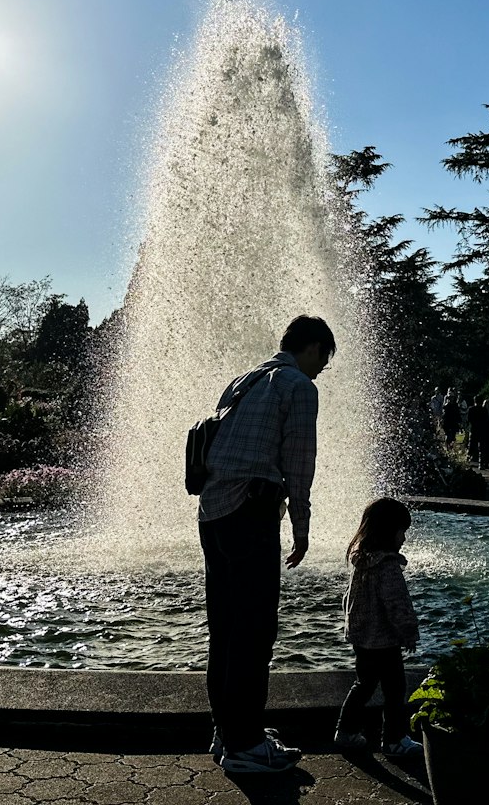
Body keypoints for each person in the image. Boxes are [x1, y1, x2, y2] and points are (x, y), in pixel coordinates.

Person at [198, 315, 335, 774]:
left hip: (212, 514)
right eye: (323, 359)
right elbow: (299, 462)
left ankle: (229, 732)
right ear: (312, 347)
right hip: (251, 513)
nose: (321, 370)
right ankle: (246, 747)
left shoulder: (245, 379)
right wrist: (301, 526)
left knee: (225, 627)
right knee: (255, 631)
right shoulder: (297, 386)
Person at [333, 498, 422, 758]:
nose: (404, 538)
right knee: (396, 690)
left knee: (364, 685)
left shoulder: (361, 562)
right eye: (401, 531)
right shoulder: (387, 566)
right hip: (385, 641)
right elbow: (397, 603)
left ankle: (345, 731)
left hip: (363, 641)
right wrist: (408, 632)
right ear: (388, 531)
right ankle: (394, 740)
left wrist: (353, 629)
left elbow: (348, 599)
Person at [467, 396, 489, 468]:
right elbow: (487, 421)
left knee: (471, 446)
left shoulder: (471, 409)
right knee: (482, 448)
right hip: (482, 430)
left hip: (474, 430)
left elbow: (468, 420)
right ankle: (481, 463)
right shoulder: (484, 410)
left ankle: (467, 461)